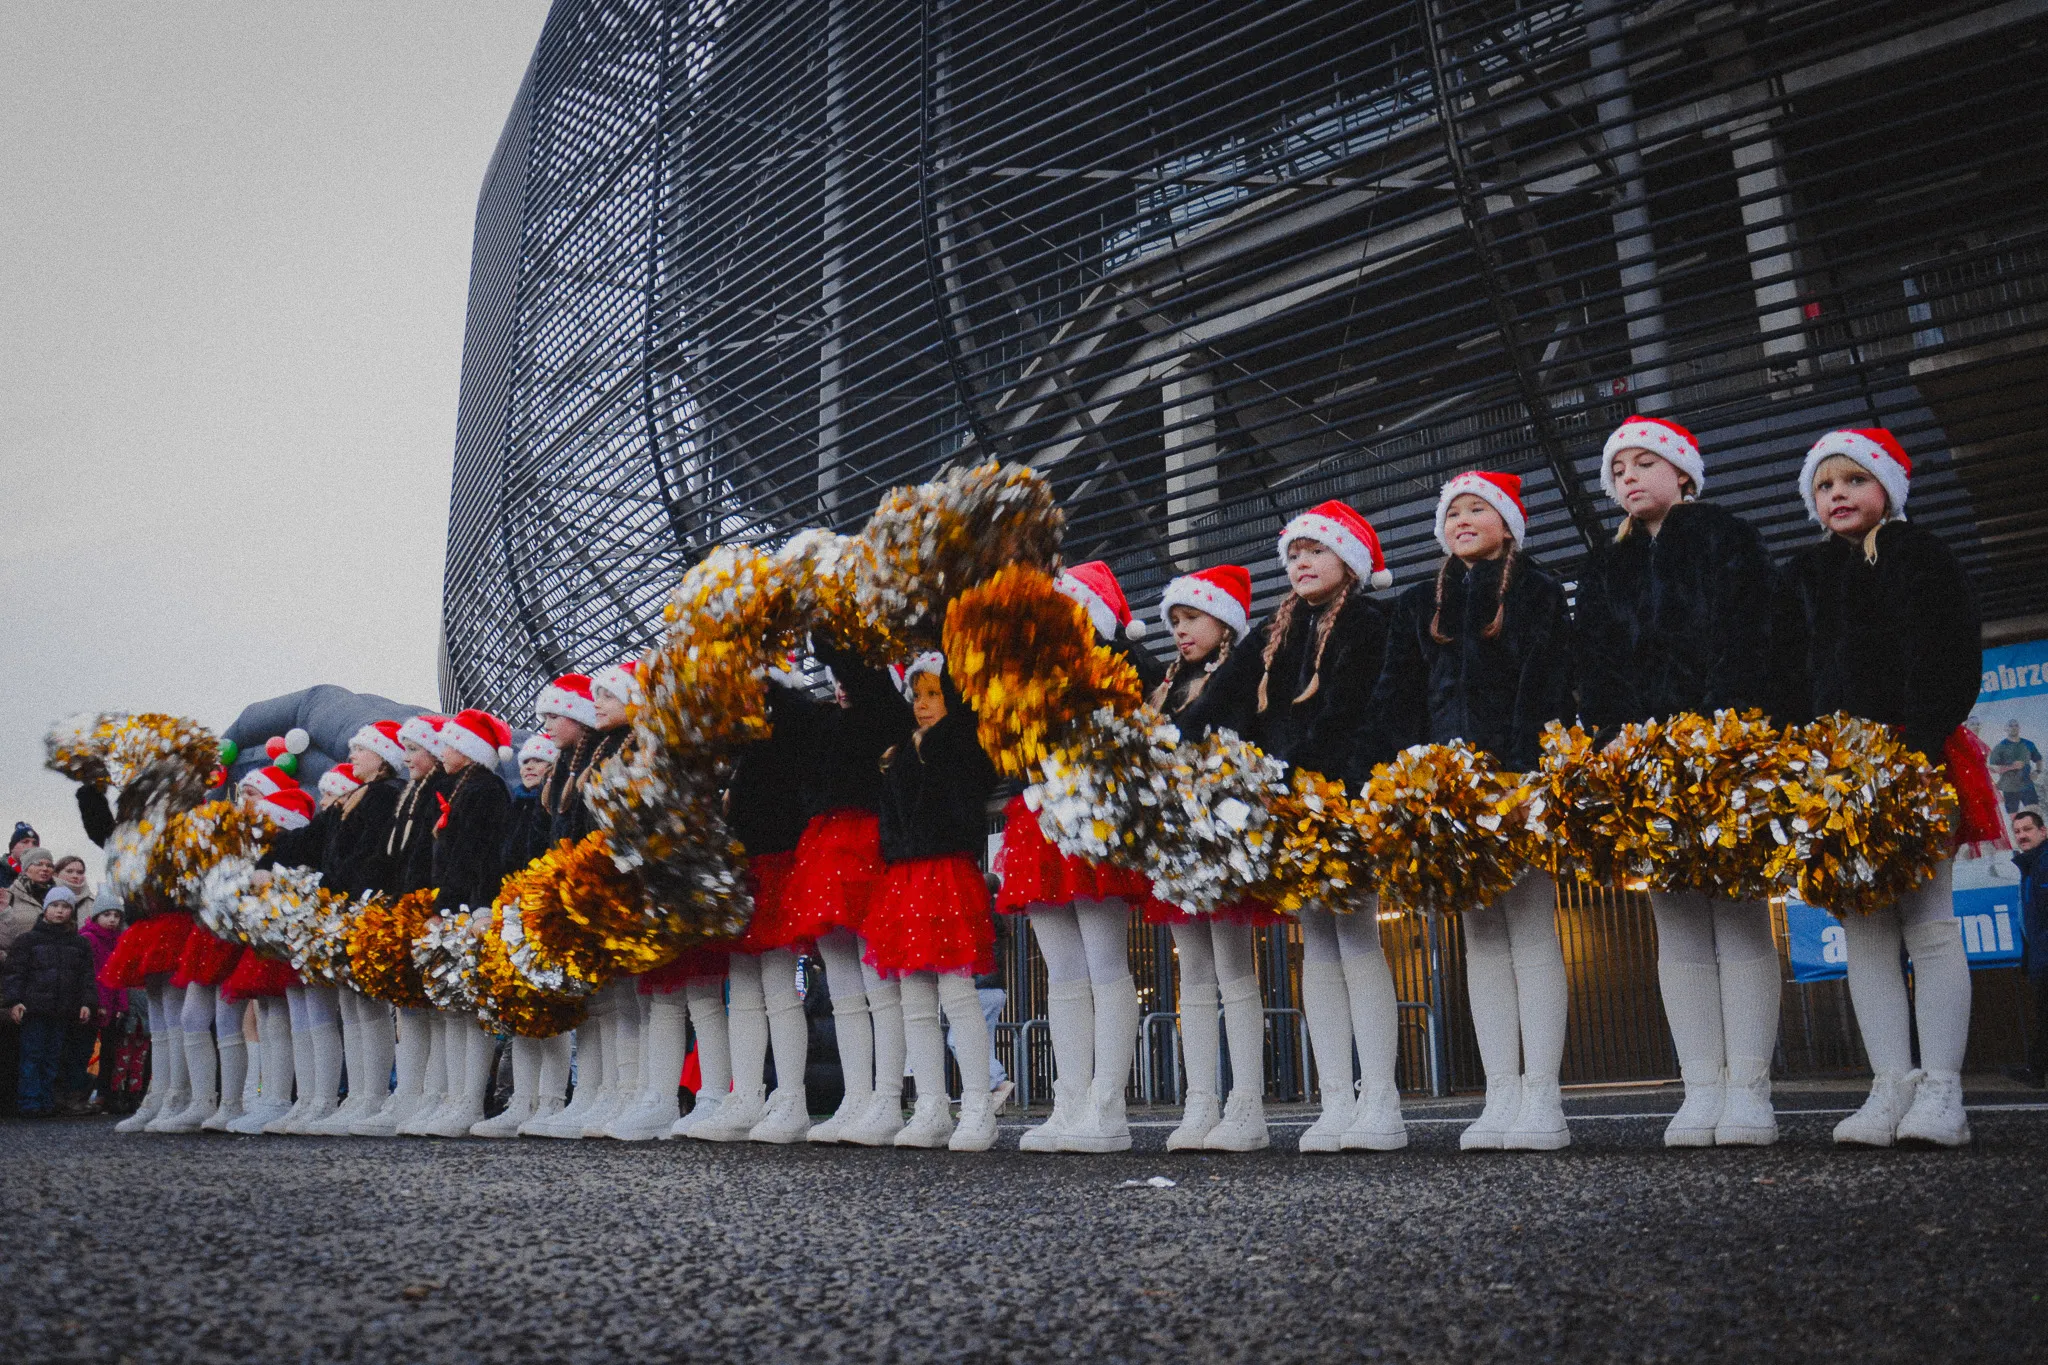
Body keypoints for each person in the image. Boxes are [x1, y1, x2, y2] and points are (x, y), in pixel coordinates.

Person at [1771, 427, 1992, 1147]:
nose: (1838, 494)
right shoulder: (1803, 574)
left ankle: (1943, 1091)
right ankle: (1890, 1084)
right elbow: (1786, 672)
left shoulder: (1918, 553)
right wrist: (1803, 758)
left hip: (1913, 756)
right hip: (1833, 772)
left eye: (1854, 480)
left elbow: (1951, 652)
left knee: (1930, 925)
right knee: (1863, 930)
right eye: (1825, 485)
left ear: (1888, 488)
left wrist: (1916, 748)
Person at [1574, 416, 1784, 1148]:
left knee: (1740, 916)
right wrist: (1614, 741)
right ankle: (1701, 1087)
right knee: (1677, 925)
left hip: (1722, 749)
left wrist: (1722, 733)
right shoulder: (1606, 565)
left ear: (1683, 473)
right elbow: (1594, 664)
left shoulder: (1729, 539)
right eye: (1618, 469)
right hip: (1641, 763)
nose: (1628, 477)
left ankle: (1750, 1089)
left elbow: (1755, 638)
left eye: (1643, 463)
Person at [1356, 472, 1576, 1152]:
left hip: (1516, 783)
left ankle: (1544, 1095)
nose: (1463, 519)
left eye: (1478, 508)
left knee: (1531, 931)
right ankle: (1501, 1090)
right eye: (1453, 512)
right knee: (1481, 938)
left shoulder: (1537, 590)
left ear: (1508, 525)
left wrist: (1523, 775)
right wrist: (1409, 780)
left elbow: (1547, 683)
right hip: (1445, 794)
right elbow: (1396, 695)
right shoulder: (1420, 602)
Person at [1187, 499, 1394, 1153]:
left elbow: (1360, 712)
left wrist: (1309, 780)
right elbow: (1218, 702)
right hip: (1287, 807)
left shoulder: (1369, 621)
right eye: (1294, 553)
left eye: (1316, 550)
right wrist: (1163, 747)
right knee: (1318, 945)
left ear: (1349, 561)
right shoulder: (1274, 630)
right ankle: (1336, 1100)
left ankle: (1381, 1099)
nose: (1301, 562)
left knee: (1356, 939)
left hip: (1342, 801)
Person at [1003, 560, 1162, 1155]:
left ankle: (1107, 1105)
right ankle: (1069, 1100)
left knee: (1104, 964)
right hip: (1039, 813)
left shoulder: (1120, 665)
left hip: (1094, 812)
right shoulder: (1028, 672)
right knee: (1063, 971)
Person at [1144, 563, 1283, 1152]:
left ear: (1224, 622)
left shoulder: (1241, 672)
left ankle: (1246, 1104)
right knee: (1193, 973)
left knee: (1233, 968)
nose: (1180, 630)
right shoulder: (1167, 687)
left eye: (1192, 618)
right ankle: (1199, 1101)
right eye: (1174, 621)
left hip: (1223, 835)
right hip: (1178, 839)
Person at [859, 655, 1003, 1150]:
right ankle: (931, 1106)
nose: (922, 705)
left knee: (957, 994)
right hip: (905, 876)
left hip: (945, 872)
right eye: (917, 695)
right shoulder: (900, 752)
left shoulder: (961, 745)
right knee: (916, 1000)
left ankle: (978, 1106)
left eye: (934, 694)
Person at [788, 639, 917, 1147]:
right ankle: (857, 1096)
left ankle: (886, 1098)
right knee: (843, 985)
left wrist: (827, 632)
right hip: (827, 849)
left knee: (877, 979)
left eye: (847, 677)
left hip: (867, 846)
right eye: (836, 679)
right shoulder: (828, 724)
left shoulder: (884, 710)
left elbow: (864, 678)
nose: (840, 686)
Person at [408, 708, 514, 1139]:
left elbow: (478, 854)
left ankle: (468, 1101)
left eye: (450, 744)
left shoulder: (484, 789)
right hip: (455, 904)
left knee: (470, 1009)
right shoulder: (463, 787)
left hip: (470, 908)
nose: (442, 751)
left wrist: (467, 904)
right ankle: (454, 1099)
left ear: (470, 750)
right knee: (453, 1008)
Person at [2, 886, 95, 1118]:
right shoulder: (27, 941)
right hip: (33, 1009)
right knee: (32, 1056)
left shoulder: (80, 943)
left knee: (54, 1057)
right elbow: (15, 974)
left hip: (63, 1010)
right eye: (54, 906)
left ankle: (47, 1100)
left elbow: (86, 977)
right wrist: (14, 1001)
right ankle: (29, 1102)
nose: (59, 911)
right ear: (45, 909)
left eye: (65, 907)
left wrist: (86, 1003)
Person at [2005, 808, 2048, 1089]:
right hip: (2040, 958)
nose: (2022, 836)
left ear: (2043, 832)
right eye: (2017, 831)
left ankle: (2036, 1071)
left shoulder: (2042, 863)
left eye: (2028, 829)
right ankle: (2036, 1070)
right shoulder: (2030, 866)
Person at [80, 895, 131, 1112]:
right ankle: (79, 1093)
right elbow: (91, 974)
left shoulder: (119, 940)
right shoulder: (89, 939)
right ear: (96, 916)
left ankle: (104, 1093)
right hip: (95, 1002)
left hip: (113, 1003)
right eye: (107, 914)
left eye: (116, 915)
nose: (112, 920)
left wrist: (121, 1005)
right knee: (85, 1049)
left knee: (110, 1051)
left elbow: (120, 976)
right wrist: (98, 1002)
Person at [1990, 719, 2043, 817]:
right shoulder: (2000, 747)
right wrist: (2011, 767)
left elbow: (2039, 760)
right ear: (2006, 729)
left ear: (2019, 728)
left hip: (2027, 786)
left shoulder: (2028, 744)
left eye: (2016, 725)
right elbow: (1992, 769)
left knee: (2035, 816)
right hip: (2009, 788)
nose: (2014, 728)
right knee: (2014, 819)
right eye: (2011, 726)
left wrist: (2037, 771)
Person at [0, 822, 38, 891]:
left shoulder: (41, 875)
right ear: (12, 848)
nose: (31, 846)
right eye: (25, 842)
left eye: (35, 843)